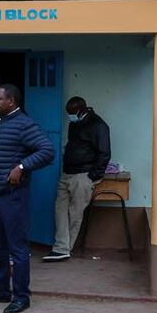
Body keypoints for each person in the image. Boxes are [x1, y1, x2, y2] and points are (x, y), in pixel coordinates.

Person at [0, 84, 54, 313]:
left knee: (17, 248)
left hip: (11, 197)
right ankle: (0, 290)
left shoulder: (24, 124)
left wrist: (22, 166)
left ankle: (21, 296)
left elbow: (46, 151)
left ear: (12, 101)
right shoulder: (1, 122)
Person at [43, 96, 111, 263]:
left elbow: (105, 153)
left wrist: (93, 176)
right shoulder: (75, 123)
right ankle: (61, 247)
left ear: (81, 110)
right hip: (67, 173)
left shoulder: (98, 125)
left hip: (83, 175)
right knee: (60, 210)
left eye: (72, 113)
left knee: (75, 213)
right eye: (69, 113)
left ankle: (64, 249)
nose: (70, 116)